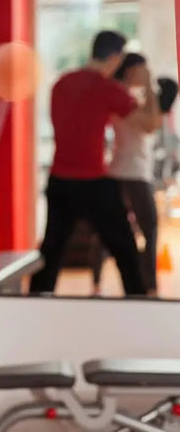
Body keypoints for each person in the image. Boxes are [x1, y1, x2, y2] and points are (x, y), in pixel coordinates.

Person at [29, 30, 161, 296]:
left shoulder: (61, 83)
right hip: (93, 183)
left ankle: (34, 304)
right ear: (114, 57)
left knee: (50, 255)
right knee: (125, 251)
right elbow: (149, 124)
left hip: (59, 180)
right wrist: (148, 84)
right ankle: (139, 302)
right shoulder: (107, 89)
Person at [92, 53, 176, 296]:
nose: (145, 73)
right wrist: (150, 84)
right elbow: (151, 123)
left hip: (128, 170)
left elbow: (155, 120)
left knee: (112, 229)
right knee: (147, 228)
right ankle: (149, 287)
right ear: (131, 70)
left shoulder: (129, 96)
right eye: (142, 69)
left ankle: (102, 284)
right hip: (131, 173)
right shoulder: (121, 96)